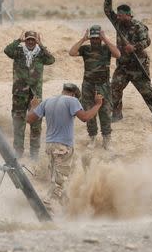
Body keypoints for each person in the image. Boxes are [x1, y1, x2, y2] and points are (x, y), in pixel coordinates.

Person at [27, 83, 103, 215]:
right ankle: (47, 211)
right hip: (63, 147)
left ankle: (64, 211)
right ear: (73, 94)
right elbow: (85, 117)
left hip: (50, 146)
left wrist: (33, 106)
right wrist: (97, 105)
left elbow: (29, 119)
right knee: (59, 183)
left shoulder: (48, 101)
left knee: (58, 180)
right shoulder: (72, 101)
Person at [104, 0, 152, 127]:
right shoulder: (118, 23)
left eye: (121, 15)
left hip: (138, 65)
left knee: (146, 91)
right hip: (123, 66)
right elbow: (107, 10)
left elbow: (147, 41)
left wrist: (134, 47)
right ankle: (116, 114)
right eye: (118, 15)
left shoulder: (139, 26)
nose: (119, 17)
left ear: (128, 15)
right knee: (114, 88)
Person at [4, 31, 55, 159]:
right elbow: (7, 51)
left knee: (36, 124)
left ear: (36, 41)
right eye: (28, 40)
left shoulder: (40, 54)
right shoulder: (18, 52)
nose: (31, 42)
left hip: (35, 96)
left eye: (33, 40)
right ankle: (18, 151)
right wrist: (18, 40)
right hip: (19, 94)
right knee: (18, 123)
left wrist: (41, 45)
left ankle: (34, 153)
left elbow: (51, 60)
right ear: (25, 40)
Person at [69, 25, 121, 149]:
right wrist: (83, 39)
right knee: (89, 111)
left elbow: (118, 54)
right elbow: (71, 52)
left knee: (105, 112)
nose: (95, 41)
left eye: (97, 38)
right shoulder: (86, 49)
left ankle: (107, 139)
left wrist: (105, 39)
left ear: (100, 38)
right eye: (93, 38)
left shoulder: (106, 48)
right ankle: (92, 137)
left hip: (103, 85)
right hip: (88, 85)